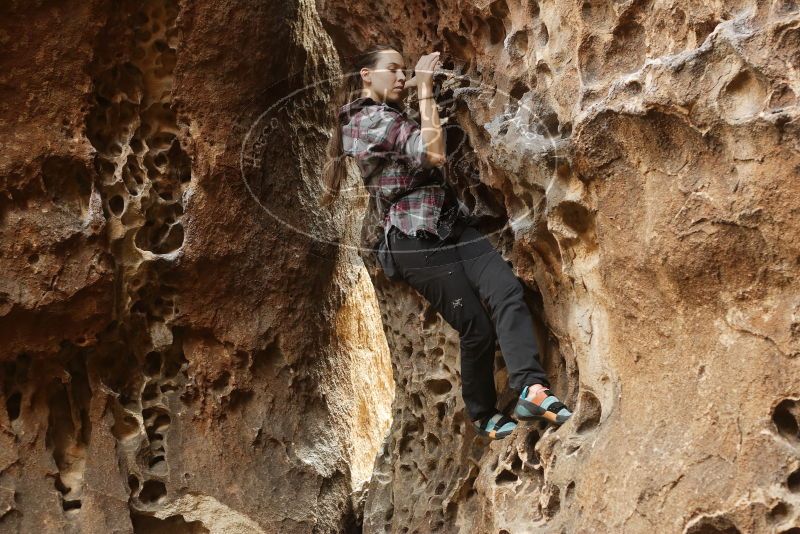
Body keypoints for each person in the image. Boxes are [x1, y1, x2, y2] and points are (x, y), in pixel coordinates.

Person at [321, 44, 572, 440]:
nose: (401, 77)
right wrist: (423, 88)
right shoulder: (363, 119)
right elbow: (432, 153)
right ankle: (483, 413)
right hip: (413, 241)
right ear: (366, 75)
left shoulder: (390, 115)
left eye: (406, 71)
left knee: (506, 290)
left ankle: (532, 389)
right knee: (476, 327)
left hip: (450, 223)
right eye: (393, 70)